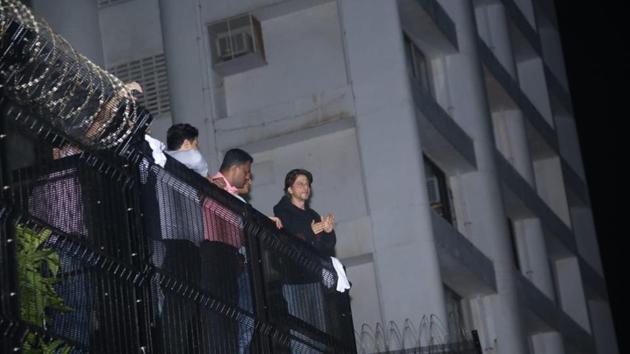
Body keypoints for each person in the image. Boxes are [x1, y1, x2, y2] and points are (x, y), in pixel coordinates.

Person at [273, 169, 336, 352]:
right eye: (300, 183)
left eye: (307, 184)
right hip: (294, 279)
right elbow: (288, 239)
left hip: (314, 278)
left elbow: (327, 246)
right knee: (301, 334)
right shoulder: (282, 211)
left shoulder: (313, 215)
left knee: (318, 333)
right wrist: (312, 232)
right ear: (290, 189)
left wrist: (328, 231)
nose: (306, 187)